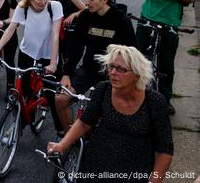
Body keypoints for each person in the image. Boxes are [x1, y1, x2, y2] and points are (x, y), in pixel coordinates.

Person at [47, 45, 173, 183]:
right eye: (111, 67)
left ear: (137, 75)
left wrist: (154, 181)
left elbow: (164, 150)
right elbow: (84, 123)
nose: (113, 72)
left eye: (121, 69)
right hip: (94, 170)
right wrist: (62, 145)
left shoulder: (155, 102)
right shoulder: (103, 89)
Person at [54, 0, 136, 132]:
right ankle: (73, 141)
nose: (87, 2)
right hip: (89, 70)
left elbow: (132, 53)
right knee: (60, 99)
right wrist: (66, 74)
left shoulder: (121, 21)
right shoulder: (86, 16)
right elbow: (75, 47)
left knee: (107, 114)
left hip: (112, 75)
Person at [0, 0, 64, 132]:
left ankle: (60, 131)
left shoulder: (54, 7)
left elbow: (55, 35)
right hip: (27, 52)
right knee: (24, 90)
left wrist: (54, 63)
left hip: (48, 55)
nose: (43, 2)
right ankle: (20, 124)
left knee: (51, 95)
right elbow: (10, 30)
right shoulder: (23, 8)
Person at [138, 0, 196, 114]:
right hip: (148, 15)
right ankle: (136, 92)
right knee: (138, 57)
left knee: (166, 64)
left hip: (170, 20)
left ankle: (165, 98)